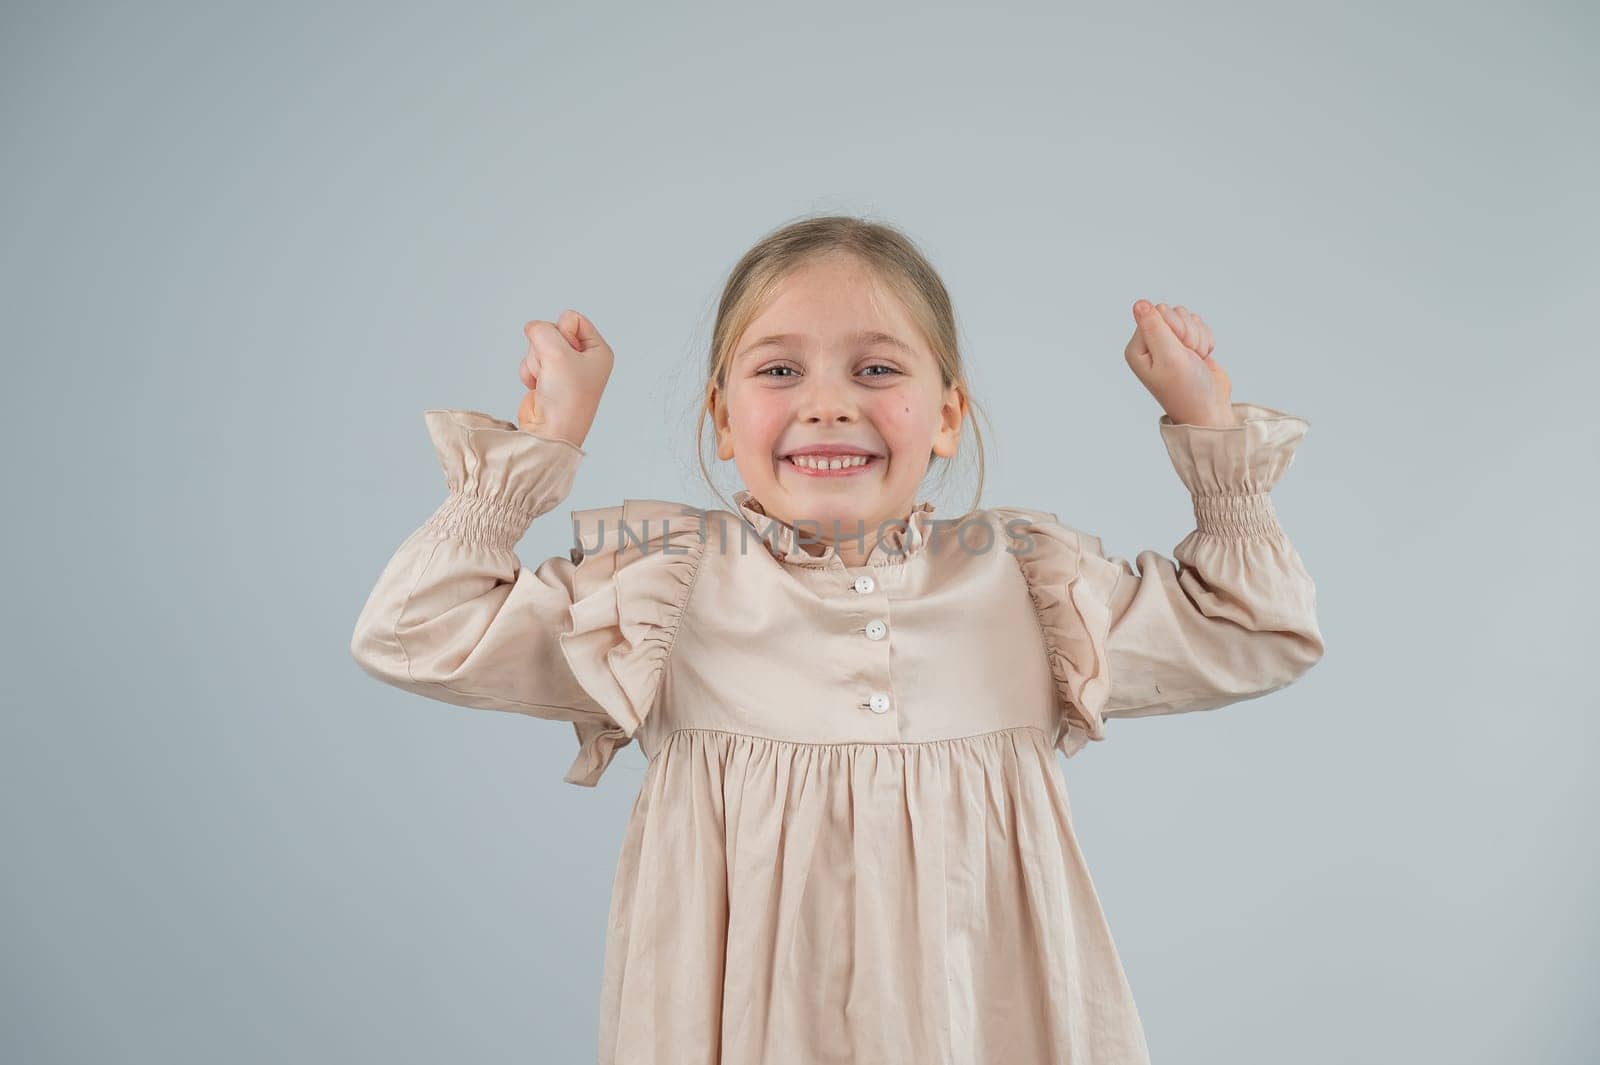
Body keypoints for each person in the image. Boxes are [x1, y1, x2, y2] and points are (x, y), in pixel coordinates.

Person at [349, 214, 1325, 1064]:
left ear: (945, 416)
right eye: (779, 369)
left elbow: (1257, 630)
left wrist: (1205, 428)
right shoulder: (664, 585)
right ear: (722, 419)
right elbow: (415, 631)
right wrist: (543, 444)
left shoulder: (1025, 581)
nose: (827, 402)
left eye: (876, 369)